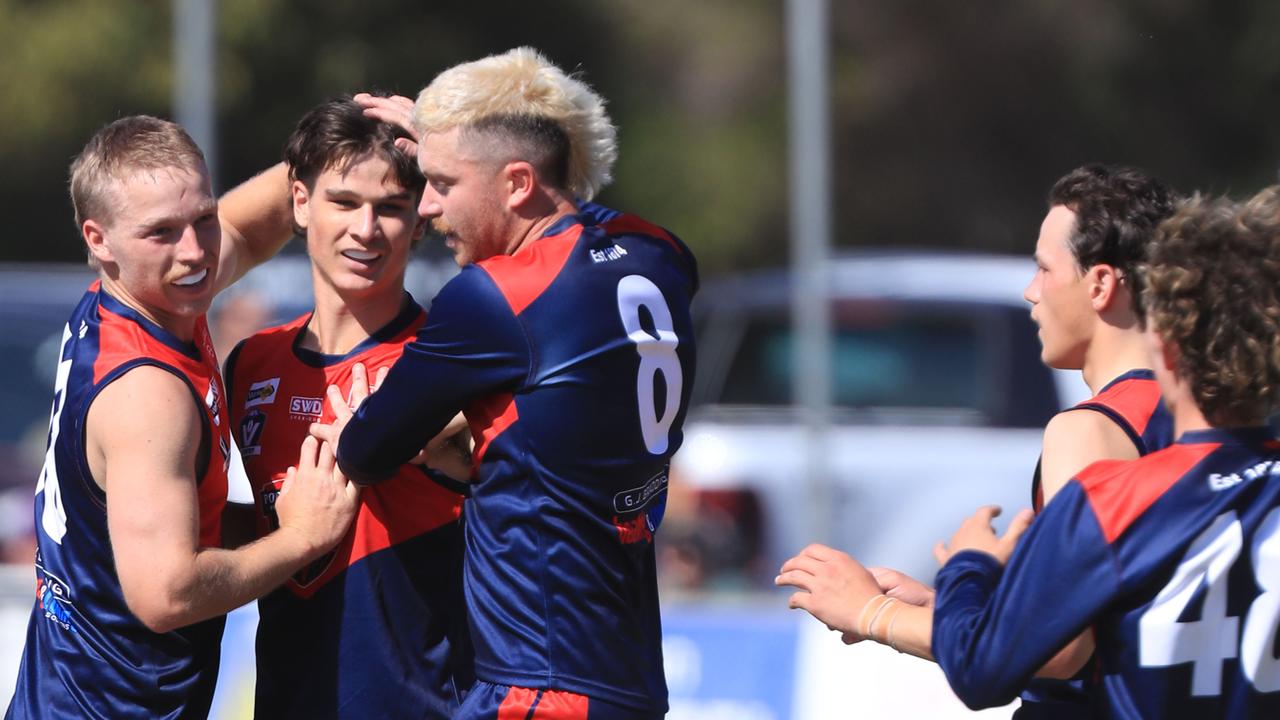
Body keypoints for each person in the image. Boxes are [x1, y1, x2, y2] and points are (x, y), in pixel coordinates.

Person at [318, 47, 699, 719]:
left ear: (518, 183)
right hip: (628, 675)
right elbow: (583, 221)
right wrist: (455, 134)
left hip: (541, 686)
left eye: (441, 182)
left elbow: (366, 450)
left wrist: (423, 439)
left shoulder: (495, 298)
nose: (428, 208)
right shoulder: (659, 254)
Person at [776, 164, 1180, 716]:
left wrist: (872, 612)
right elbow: (1126, 621)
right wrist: (959, 610)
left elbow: (1061, 649)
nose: (1030, 292)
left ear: (1102, 284)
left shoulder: (1091, 429)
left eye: (1043, 269)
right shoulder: (1211, 418)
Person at [5, 116, 359, 720]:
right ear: (99, 240)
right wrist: (300, 538)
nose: (194, 251)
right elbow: (167, 595)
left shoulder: (139, 303)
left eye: (202, 218)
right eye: (162, 232)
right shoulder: (149, 393)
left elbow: (245, 234)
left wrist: (338, 136)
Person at [925, 188, 1280, 716]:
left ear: (1166, 343)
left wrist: (965, 571)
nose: (1031, 291)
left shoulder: (1109, 499)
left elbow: (993, 666)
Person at [222, 96, 474, 719]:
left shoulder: (451, 365)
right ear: (300, 204)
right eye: (343, 202)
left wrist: (449, 153)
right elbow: (263, 526)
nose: (366, 229)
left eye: (390, 208)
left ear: (420, 222)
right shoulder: (252, 363)